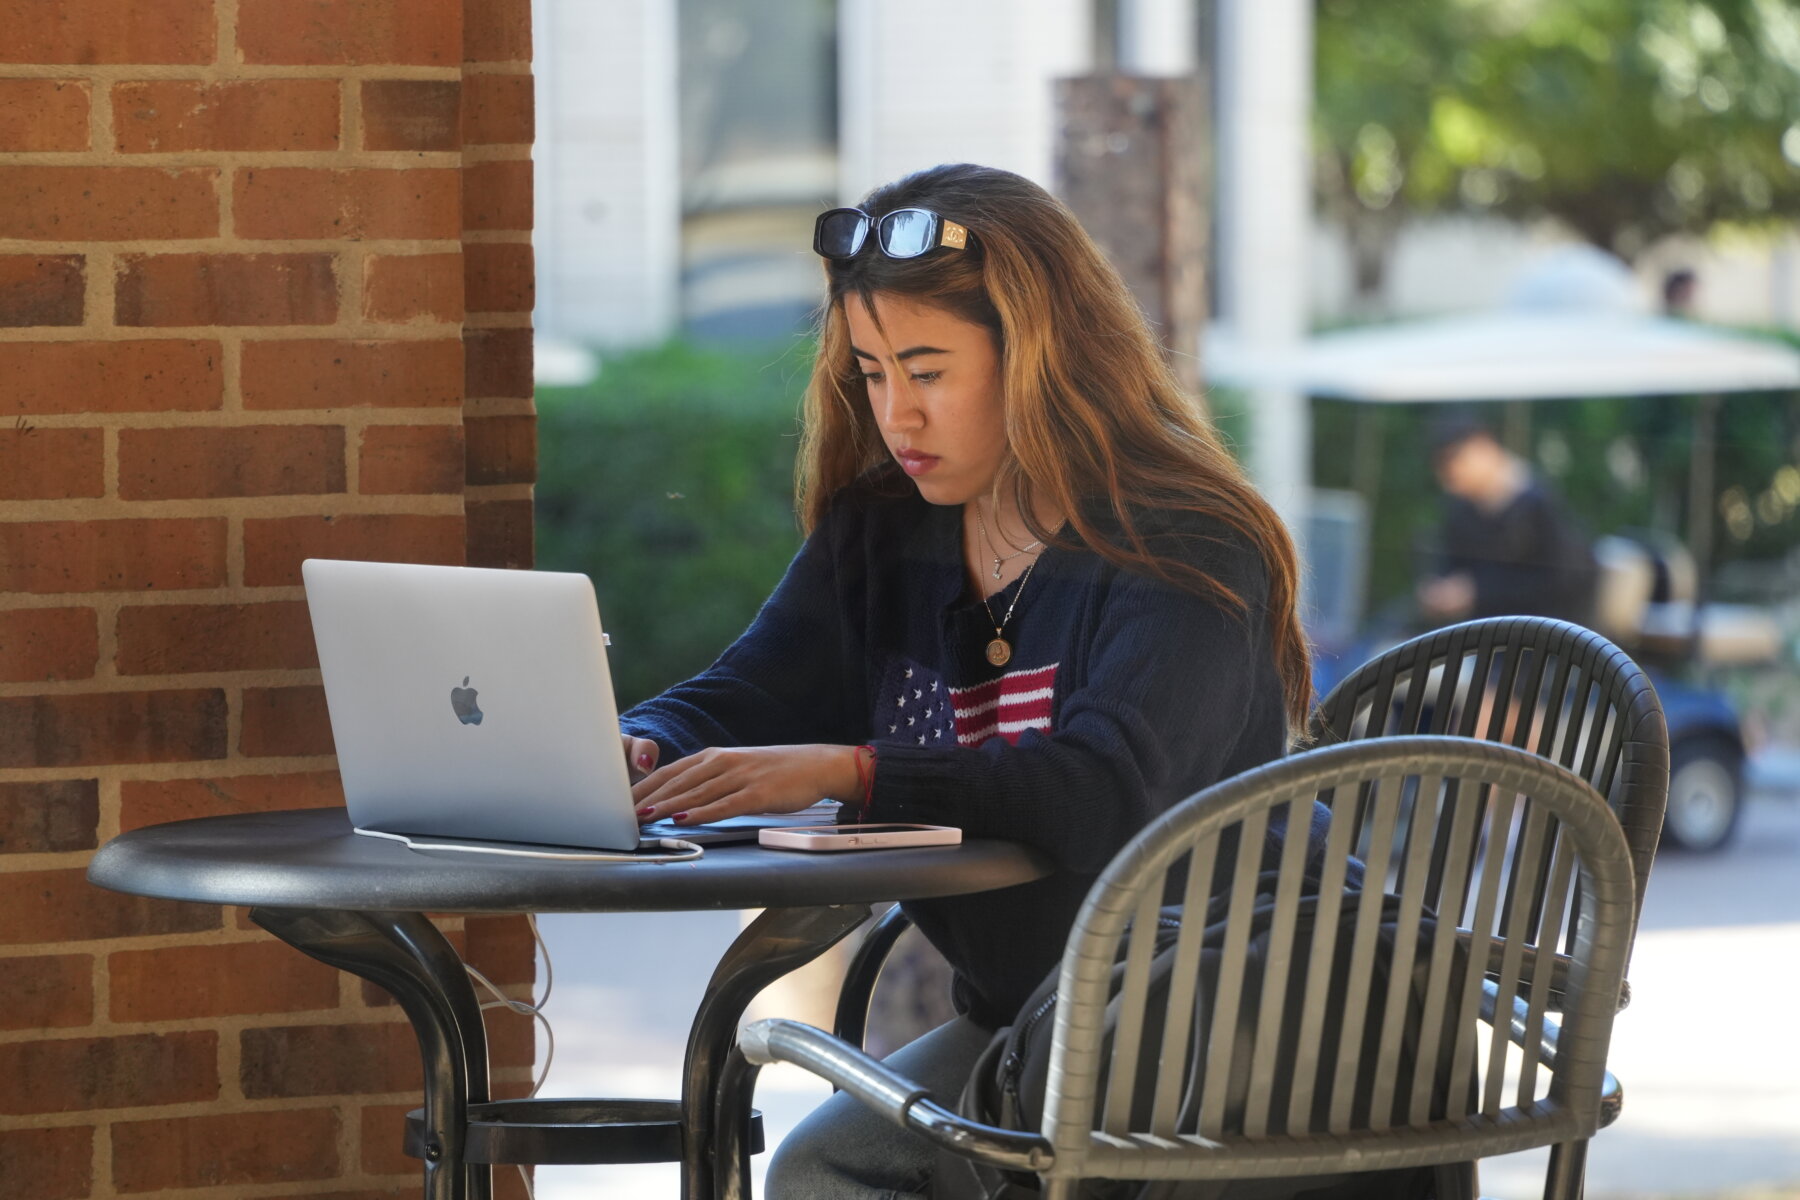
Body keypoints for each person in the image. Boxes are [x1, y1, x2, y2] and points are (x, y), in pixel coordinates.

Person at [618, 163, 1312, 1198]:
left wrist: (856, 770)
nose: (897, 414)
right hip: (1040, 1031)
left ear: (1040, 357)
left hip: (1244, 1019)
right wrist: (642, 740)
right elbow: (745, 693)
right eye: (871, 372)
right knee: (823, 1174)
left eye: (929, 371)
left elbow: (1103, 787)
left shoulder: (1183, 540)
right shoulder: (883, 530)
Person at [1417, 415, 1597, 628]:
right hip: (1481, 634)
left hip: (1543, 636)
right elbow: (1450, 564)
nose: (1450, 478)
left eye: (1454, 462)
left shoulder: (1539, 504)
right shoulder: (1461, 510)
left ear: (1482, 447)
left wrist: (1478, 593)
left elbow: (1563, 582)